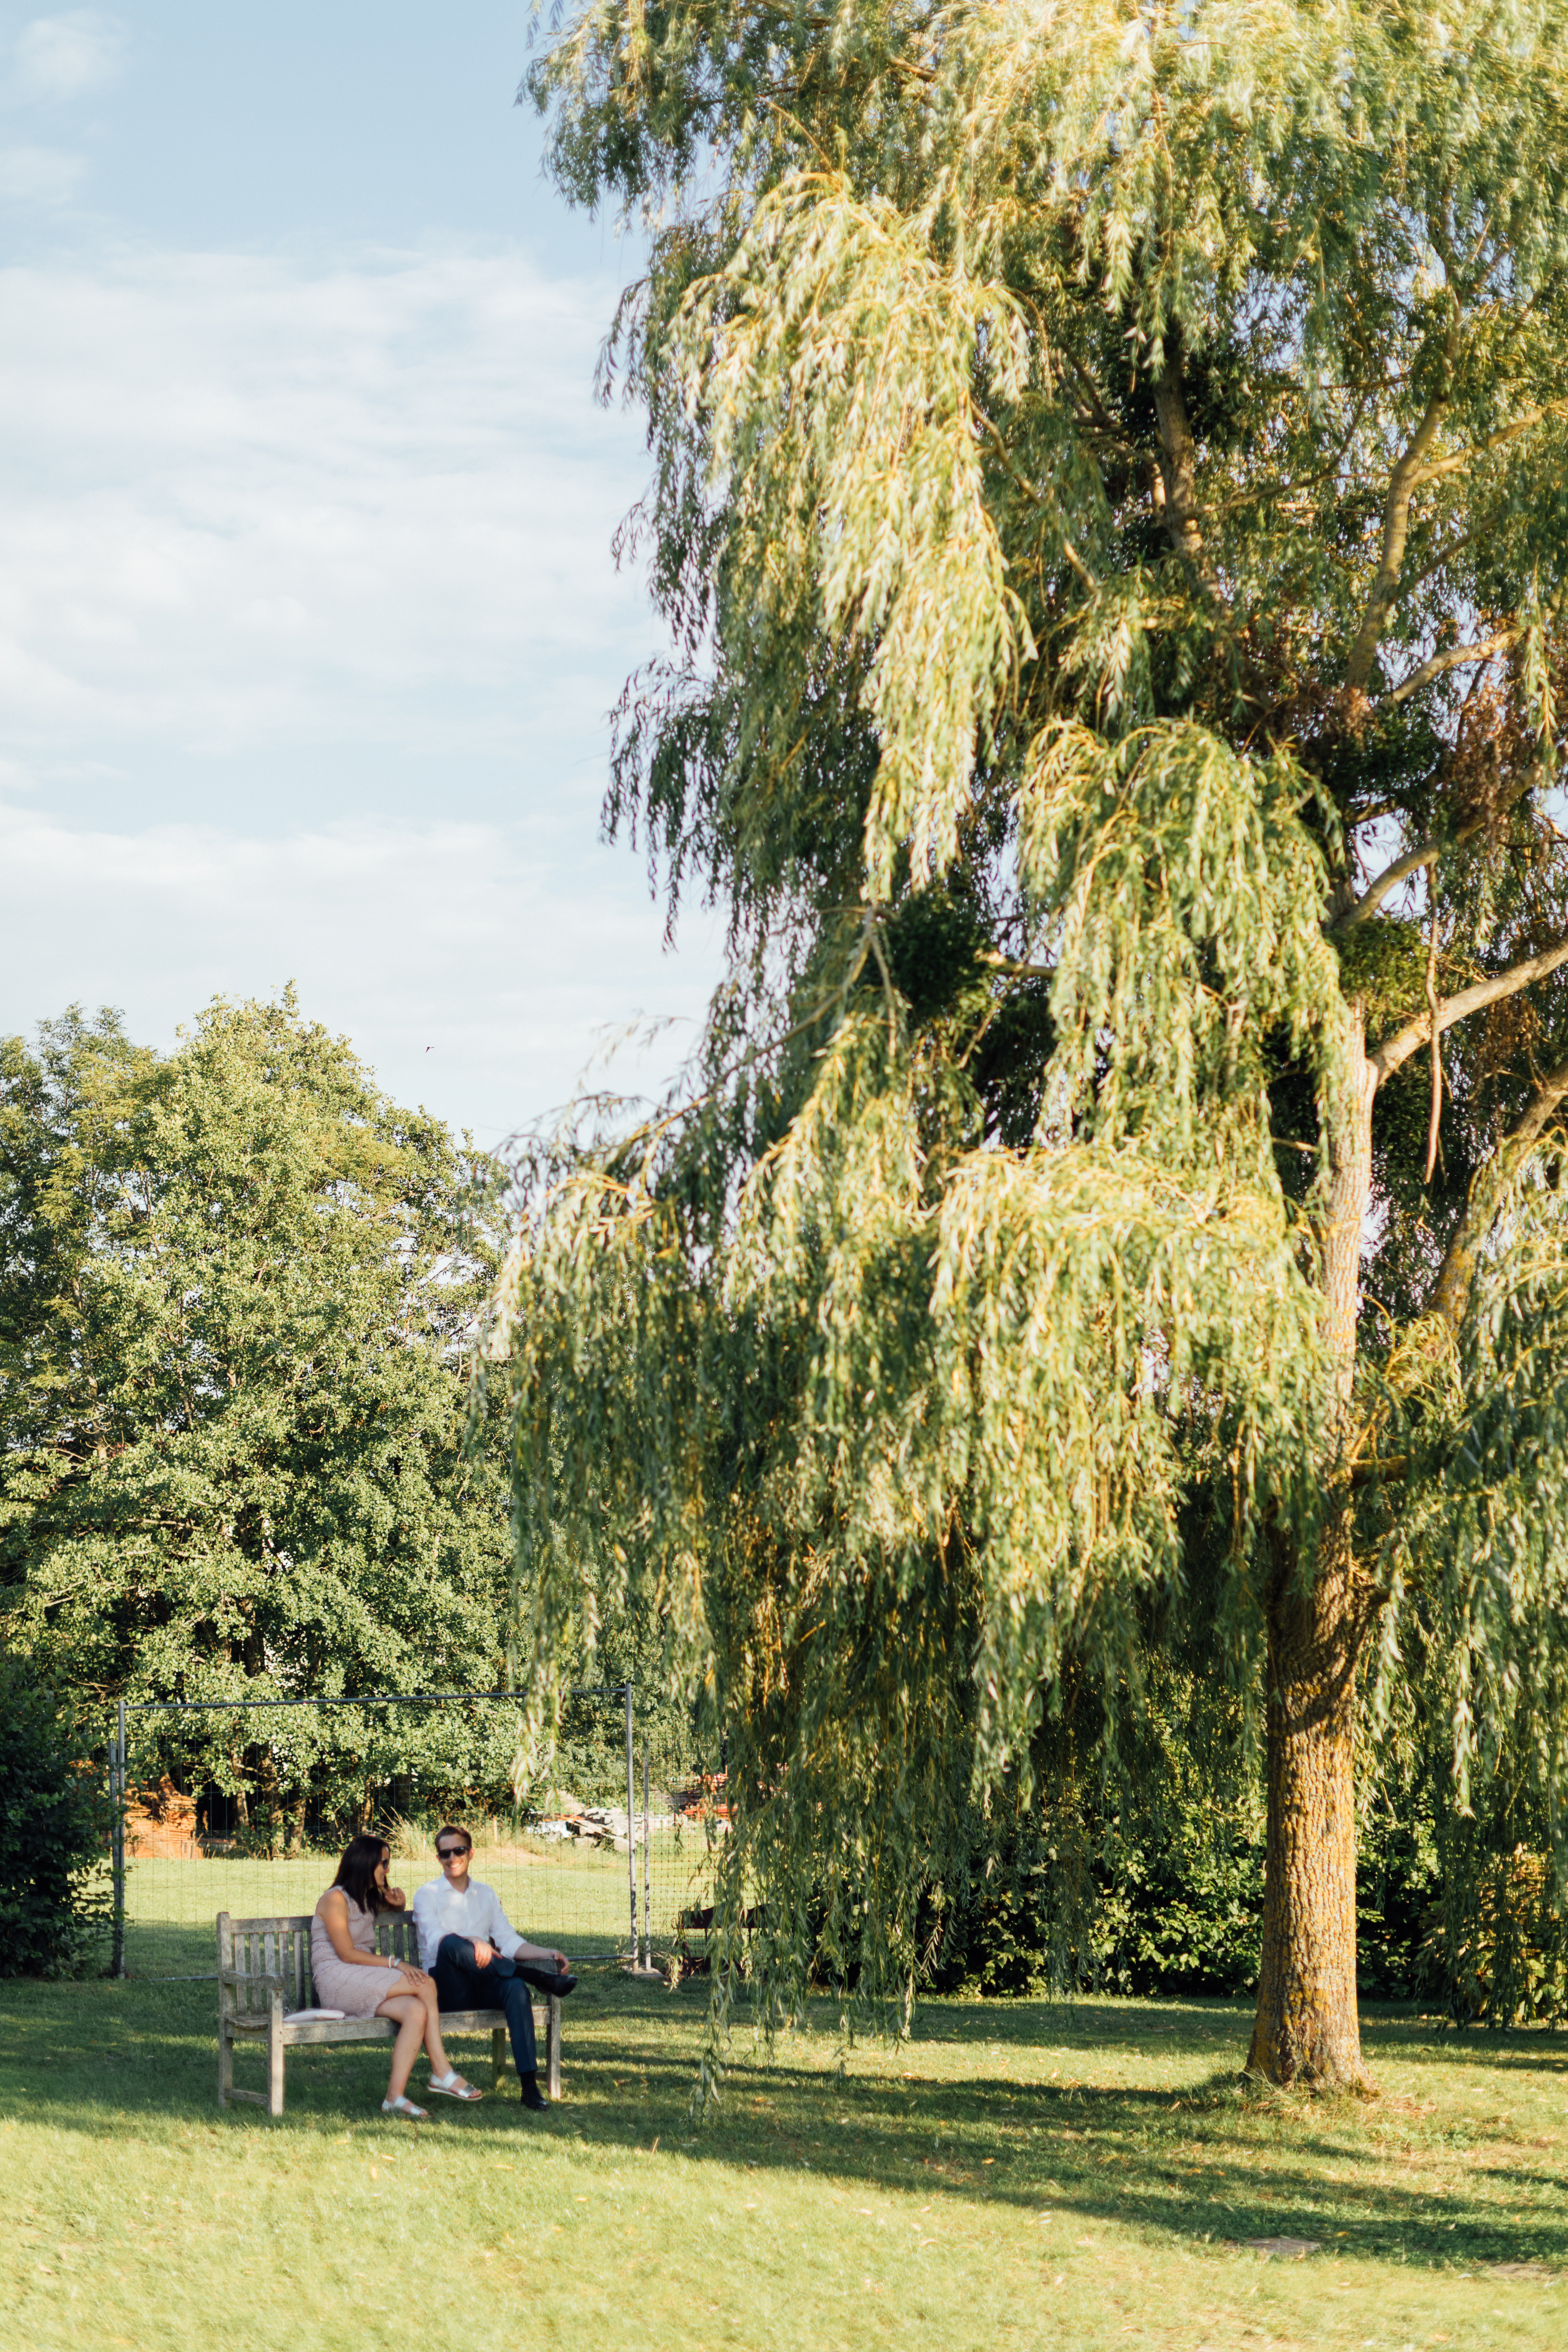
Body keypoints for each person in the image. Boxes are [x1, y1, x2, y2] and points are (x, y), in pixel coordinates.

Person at [311, 1833, 484, 2120]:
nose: (388, 1870)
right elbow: (347, 1954)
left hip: (359, 1979)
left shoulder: (364, 1899)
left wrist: (397, 1904)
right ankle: (442, 2071)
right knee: (426, 1984)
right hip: (336, 1979)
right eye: (384, 1864)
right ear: (366, 1863)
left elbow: (383, 1912)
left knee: (416, 2010)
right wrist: (396, 1963)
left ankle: (394, 2097)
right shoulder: (334, 1899)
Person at [411, 1824, 576, 2112]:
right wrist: (474, 1939)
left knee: (515, 1989)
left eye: (458, 1851)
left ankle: (529, 2088)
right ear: (438, 1858)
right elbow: (436, 1942)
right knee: (450, 1944)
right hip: (447, 1989)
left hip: (486, 1982)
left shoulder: (485, 1895)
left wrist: (548, 1952)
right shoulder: (427, 1894)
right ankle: (539, 1978)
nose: (452, 1858)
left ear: (471, 1852)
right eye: (445, 1854)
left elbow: (509, 1941)